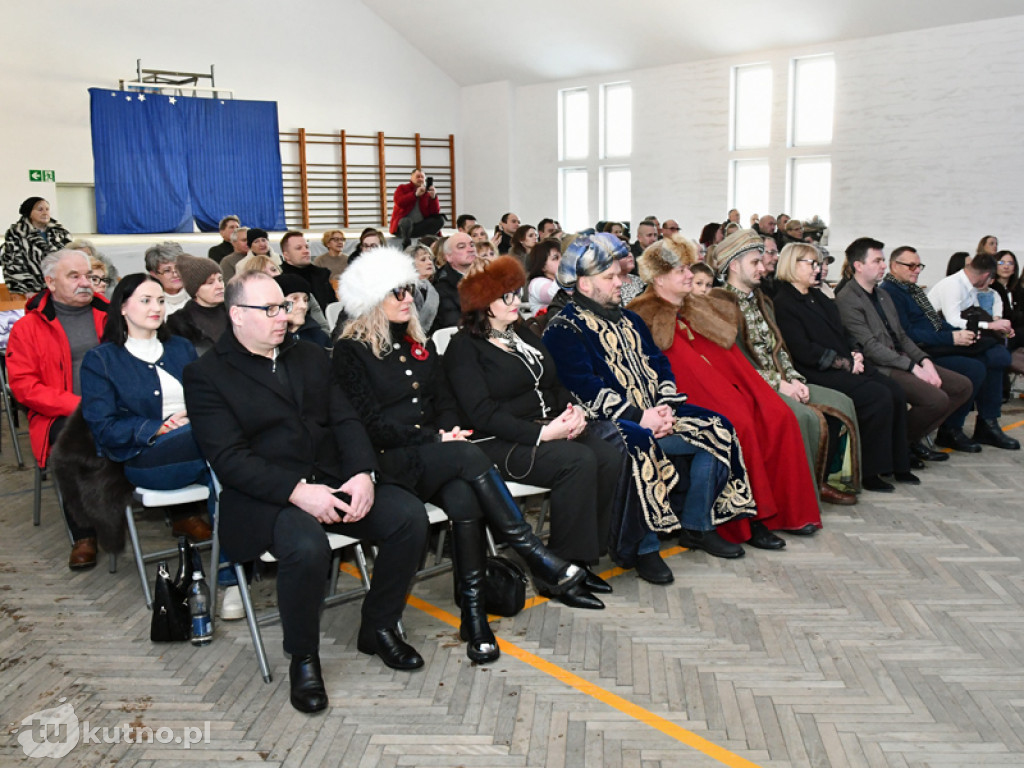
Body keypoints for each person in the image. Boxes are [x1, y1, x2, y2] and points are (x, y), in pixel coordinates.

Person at [184, 271, 429, 713]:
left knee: (408, 518)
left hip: (333, 477)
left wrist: (361, 472)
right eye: (271, 309)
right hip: (268, 493)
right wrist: (297, 492)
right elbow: (230, 459)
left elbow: (346, 420)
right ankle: (304, 657)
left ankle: (378, 626)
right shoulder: (206, 374)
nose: (284, 316)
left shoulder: (312, 355)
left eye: (285, 306)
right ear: (237, 315)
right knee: (306, 546)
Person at [334, 251, 587, 659]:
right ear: (371, 300)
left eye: (411, 291)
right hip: (387, 459)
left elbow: (441, 399)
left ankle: (474, 617)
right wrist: (439, 440)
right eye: (396, 292)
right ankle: (530, 550)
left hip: (432, 454)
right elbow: (368, 423)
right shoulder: (351, 351)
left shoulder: (415, 343)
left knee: (464, 495)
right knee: (469, 458)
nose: (408, 299)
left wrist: (446, 430)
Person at [543, 234, 757, 576]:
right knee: (638, 443)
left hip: (655, 414)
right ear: (584, 284)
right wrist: (639, 417)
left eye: (619, 276)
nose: (620, 283)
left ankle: (698, 525)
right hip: (608, 424)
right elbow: (584, 390)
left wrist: (666, 407)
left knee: (718, 426)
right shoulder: (563, 328)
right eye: (610, 278)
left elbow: (659, 365)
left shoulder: (630, 319)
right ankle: (642, 547)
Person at [444, 256, 622, 606]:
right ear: (482, 305)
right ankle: (555, 572)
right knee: (578, 461)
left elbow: (553, 385)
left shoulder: (521, 333)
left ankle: (582, 560)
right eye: (505, 297)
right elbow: (481, 414)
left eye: (516, 293)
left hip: (544, 427)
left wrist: (575, 412)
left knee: (608, 455)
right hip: (497, 441)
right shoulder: (464, 347)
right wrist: (542, 435)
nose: (516, 302)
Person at [629, 236, 821, 547]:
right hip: (682, 397)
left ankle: (782, 512)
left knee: (777, 414)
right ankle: (748, 520)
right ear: (660, 277)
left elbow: (728, 360)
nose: (690, 275)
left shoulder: (699, 306)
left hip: (721, 384)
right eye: (682, 270)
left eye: (690, 267)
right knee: (739, 422)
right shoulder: (641, 316)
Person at [714, 229, 859, 506]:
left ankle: (823, 479)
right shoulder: (719, 304)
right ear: (733, 265)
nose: (763, 267)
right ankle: (797, 498)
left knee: (842, 403)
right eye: (755, 263)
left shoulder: (762, 301)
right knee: (803, 417)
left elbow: (779, 349)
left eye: (761, 261)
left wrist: (793, 378)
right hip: (751, 386)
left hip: (781, 379)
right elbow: (733, 364)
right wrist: (779, 384)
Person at [79, 273, 214, 551]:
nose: (157, 308)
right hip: (148, 459)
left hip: (201, 452)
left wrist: (193, 410)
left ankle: (227, 568)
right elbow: (104, 428)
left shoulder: (180, 347)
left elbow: (206, 396)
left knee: (229, 466)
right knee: (223, 445)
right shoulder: (102, 360)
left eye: (161, 300)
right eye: (146, 300)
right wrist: (158, 428)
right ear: (123, 307)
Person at [771, 241, 916, 492]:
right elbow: (803, 349)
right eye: (811, 263)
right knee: (876, 396)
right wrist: (846, 363)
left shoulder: (818, 296)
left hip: (844, 362)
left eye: (818, 264)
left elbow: (845, 331)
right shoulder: (784, 301)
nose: (817, 269)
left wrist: (855, 353)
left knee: (894, 390)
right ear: (792, 265)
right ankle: (871, 471)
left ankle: (897, 463)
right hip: (816, 370)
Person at [6, 250, 109, 567]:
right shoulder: (28, 328)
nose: (85, 283)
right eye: (74, 276)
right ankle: (84, 534)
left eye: (88, 275)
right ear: (50, 282)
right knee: (72, 444)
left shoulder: (112, 314)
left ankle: (181, 513)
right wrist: (77, 405)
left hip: (117, 407)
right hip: (60, 413)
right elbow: (24, 386)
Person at [835, 238, 977, 462]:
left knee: (962, 387)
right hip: (880, 366)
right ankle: (899, 446)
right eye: (878, 260)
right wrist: (913, 367)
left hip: (901, 359)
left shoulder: (883, 295)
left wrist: (925, 361)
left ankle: (908, 440)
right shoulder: (847, 299)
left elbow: (901, 335)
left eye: (883, 260)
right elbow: (871, 347)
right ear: (858, 265)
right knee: (935, 399)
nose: (883, 265)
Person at [883, 247, 1017, 451]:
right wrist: (952, 337)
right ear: (894, 266)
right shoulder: (891, 292)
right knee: (976, 367)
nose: (917, 270)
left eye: (919, 265)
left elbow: (936, 322)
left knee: (994, 356)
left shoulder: (913, 290)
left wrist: (958, 334)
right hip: (919, 352)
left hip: (933, 344)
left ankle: (986, 423)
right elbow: (908, 334)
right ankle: (949, 429)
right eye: (911, 265)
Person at [2, 197, 71, 296]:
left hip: (60, 288)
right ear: (29, 212)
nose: (45, 213)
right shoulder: (16, 232)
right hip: (32, 290)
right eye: (40, 209)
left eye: (47, 209)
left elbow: (71, 258)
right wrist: (26, 291)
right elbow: (13, 264)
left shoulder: (60, 231)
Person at [166, 254, 228, 356]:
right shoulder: (179, 323)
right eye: (210, 282)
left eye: (220, 279)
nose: (219, 286)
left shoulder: (235, 312)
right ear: (195, 289)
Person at [278, 231, 336, 314]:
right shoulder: (280, 278)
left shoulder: (321, 275)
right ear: (286, 255)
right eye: (298, 248)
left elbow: (332, 304)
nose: (306, 251)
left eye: (307, 247)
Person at [431, 232, 476, 331]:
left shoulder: (487, 278)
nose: (470, 249)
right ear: (448, 257)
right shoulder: (442, 289)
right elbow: (454, 327)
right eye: (461, 247)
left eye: (472, 245)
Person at [389, 168, 444, 248]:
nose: (420, 179)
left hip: (419, 227)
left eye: (422, 177)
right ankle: (406, 242)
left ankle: (426, 240)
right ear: (411, 178)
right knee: (406, 222)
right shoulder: (402, 188)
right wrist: (415, 195)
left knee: (440, 220)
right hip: (403, 227)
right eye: (418, 176)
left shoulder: (427, 192)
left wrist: (433, 198)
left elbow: (434, 213)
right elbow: (399, 202)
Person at [274, 273, 330, 348]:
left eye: (305, 300)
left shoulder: (318, 337)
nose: (303, 306)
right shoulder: (266, 340)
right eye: (295, 298)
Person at [144, 242, 189, 316]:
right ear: (154, 274)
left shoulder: (198, 296)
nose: (175, 274)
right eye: (167, 270)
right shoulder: (149, 303)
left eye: (178, 267)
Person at [408, 244, 439, 331]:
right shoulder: (405, 288)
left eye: (430, 258)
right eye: (423, 259)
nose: (429, 262)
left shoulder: (432, 289)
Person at [526, 238, 562, 313]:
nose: (562, 260)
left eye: (563, 256)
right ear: (542, 266)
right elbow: (556, 295)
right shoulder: (536, 283)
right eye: (555, 258)